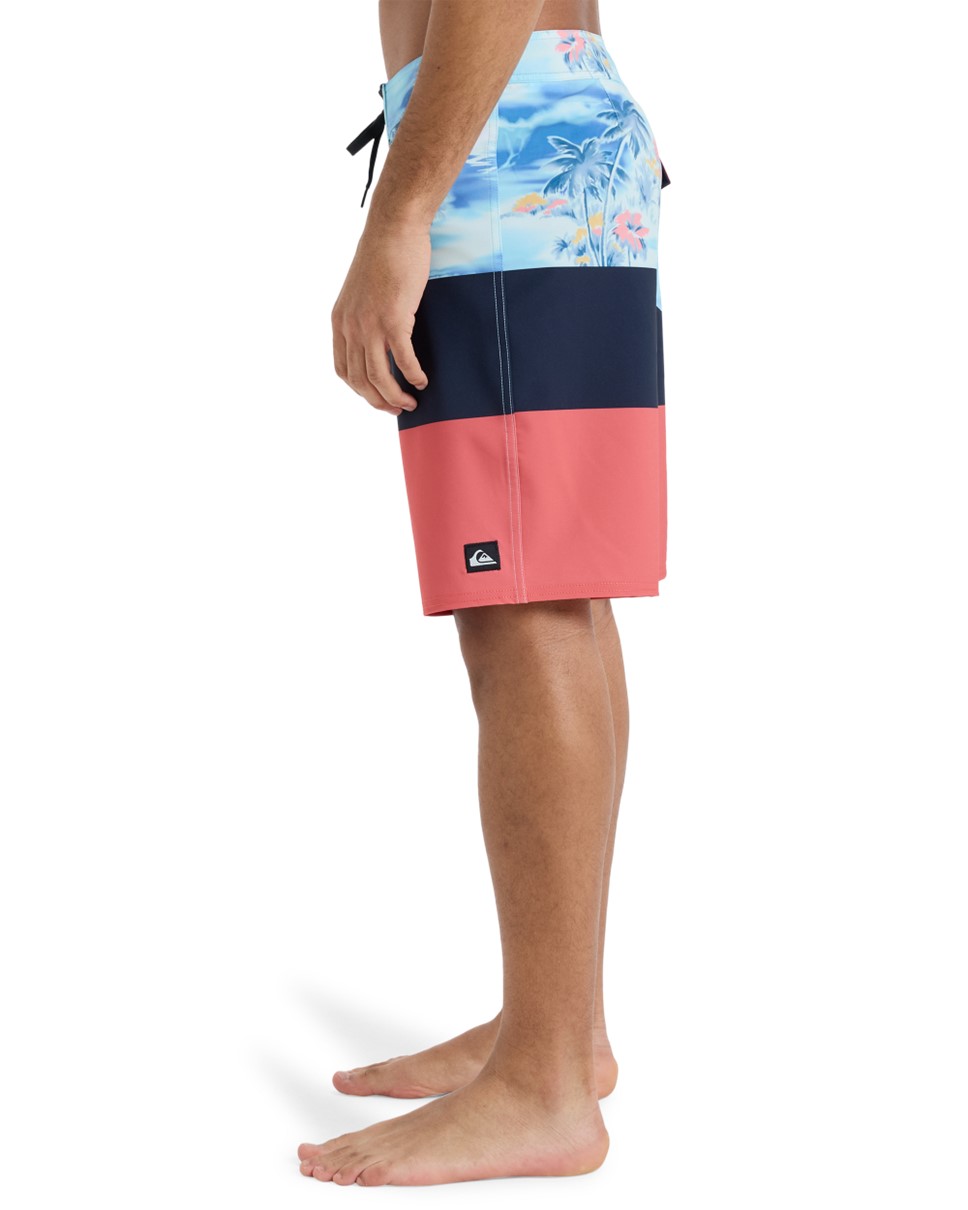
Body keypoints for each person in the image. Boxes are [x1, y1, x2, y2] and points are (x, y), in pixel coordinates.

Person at [298, 0, 670, 1186]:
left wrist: (402, 210)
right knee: (553, 595)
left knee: (525, 605)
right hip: (538, 125)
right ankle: (557, 1033)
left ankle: (542, 1082)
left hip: (502, 145)